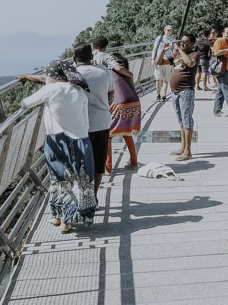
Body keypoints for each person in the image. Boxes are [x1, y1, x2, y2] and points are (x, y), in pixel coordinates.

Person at [17, 60, 96, 233]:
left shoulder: (50, 89)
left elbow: (25, 103)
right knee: (81, 180)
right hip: (82, 140)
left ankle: (62, 217)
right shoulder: (79, 91)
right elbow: (86, 121)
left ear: (52, 76)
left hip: (58, 140)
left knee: (60, 178)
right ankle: (80, 216)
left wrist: (27, 80)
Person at [72, 43, 113, 196]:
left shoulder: (72, 74)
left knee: (80, 163)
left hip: (80, 125)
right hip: (102, 122)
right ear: (92, 56)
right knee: (99, 163)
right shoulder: (104, 71)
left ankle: (82, 195)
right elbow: (111, 93)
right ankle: (93, 196)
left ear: (75, 58)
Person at [105, 51, 141, 173]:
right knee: (127, 132)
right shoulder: (128, 73)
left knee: (108, 134)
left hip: (120, 104)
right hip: (135, 103)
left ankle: (108, 167)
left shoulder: (109, 72)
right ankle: (134, 162)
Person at [170, 33, 198, 159]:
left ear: (192, 43)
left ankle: (188, 151)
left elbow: (190, 63)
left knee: (187, 120)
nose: (182, 43)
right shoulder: (177, 54)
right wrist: (164, 50)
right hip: (175, 92)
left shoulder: (194, 54)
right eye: (181, 41)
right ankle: (182, 147)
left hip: (186, 91)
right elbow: (160, 61)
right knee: (181, 120)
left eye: (185, 42)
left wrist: (179, 49)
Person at [152, 25, 174, 101]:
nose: (169, 31)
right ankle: (158, 94)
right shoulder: (159, 38)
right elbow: (154, 49)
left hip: (167, 61)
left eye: (170, 30)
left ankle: (164, 95)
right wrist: (153, 59)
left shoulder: (173, 39)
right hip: (159, 60)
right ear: (164, 30)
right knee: (158, 78)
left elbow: (173, 51)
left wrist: (172, 63)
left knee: (166, 79)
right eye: (167, 30)